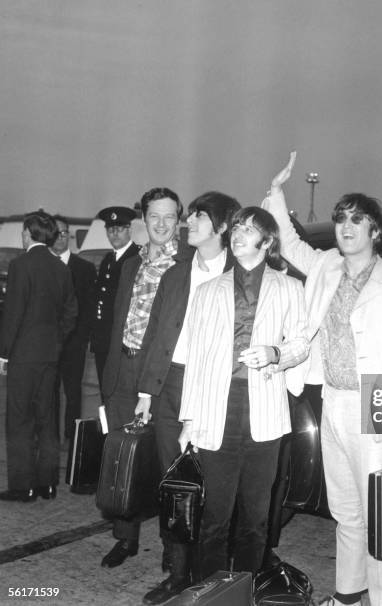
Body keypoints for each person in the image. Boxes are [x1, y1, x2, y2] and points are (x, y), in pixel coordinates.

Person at [263, 153, 382, 606]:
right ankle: (349, 596)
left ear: (375, 230)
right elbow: (291, 244)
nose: (346, 228)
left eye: (357, 221)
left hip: (376, 405)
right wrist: (277, 195)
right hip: (331, 398)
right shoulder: (327, 266)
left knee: (380, 518)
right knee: (347, 513)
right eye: (341, 221)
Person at [178, 207, 309, 583]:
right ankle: (209, 591)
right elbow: (194, 357)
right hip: (217, 409)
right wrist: (189, 419)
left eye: (249, 229)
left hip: (264, 410)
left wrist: (276, 354)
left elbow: (301, 343)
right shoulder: (206, 291)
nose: (237, 234)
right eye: (236, 226)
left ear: (267, 243)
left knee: (255, 516)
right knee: (214, 515)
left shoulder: (290, 288)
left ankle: (246, 589)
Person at [135, 191, 240, 605]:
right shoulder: (175, 274)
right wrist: (147, 392)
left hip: (216, 388)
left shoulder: (241, 274)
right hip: (171, 388)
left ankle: (210, 576)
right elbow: (156, 333)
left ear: (222, 227)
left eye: (198, 216)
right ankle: (178, 576)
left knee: (211, 486)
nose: (188, 222)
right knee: (173, 485)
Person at [100, 188, 182, 568]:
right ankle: (125, 537)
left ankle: (173, 546)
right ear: (143, 220)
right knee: (122, 460)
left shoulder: (188, 263)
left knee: (168, 462)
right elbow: (118, 319)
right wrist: (110, 375)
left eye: (169, 216)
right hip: (123, 370)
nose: (161, 224)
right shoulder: (131, 263)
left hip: (163, 378)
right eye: (154, 217)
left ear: (178, 218)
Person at [0, 212, 77, 502]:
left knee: (19, 420)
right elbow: (71, 311)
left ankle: (23, 486)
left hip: (23, 355)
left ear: (28, 233)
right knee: (47, 418)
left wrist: (4, 353)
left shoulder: (21, 265)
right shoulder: (60, 268)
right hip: (50, 356)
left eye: (22, 232)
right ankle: (47, 484)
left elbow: (13, 313)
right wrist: (56, 343)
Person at [51, 214, 97, 441]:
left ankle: (72, 438)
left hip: (74, 344)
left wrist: (82, 339)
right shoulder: (43, 266)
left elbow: (89, 308)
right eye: (55, 233)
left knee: (73, 393)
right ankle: (49, 435)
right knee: (48, 393)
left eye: (63, 233)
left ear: (69, 235)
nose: (60, 238)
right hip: (47, 344)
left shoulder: (85, 268)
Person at [90, 206, 140, 387]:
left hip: (124, 340)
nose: (114, 234)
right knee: (105, 388)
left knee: (122, 392)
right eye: (110, 229)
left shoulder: (138, 258)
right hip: (104, 338)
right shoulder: (108, 260)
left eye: (119, 229)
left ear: (129, 230)